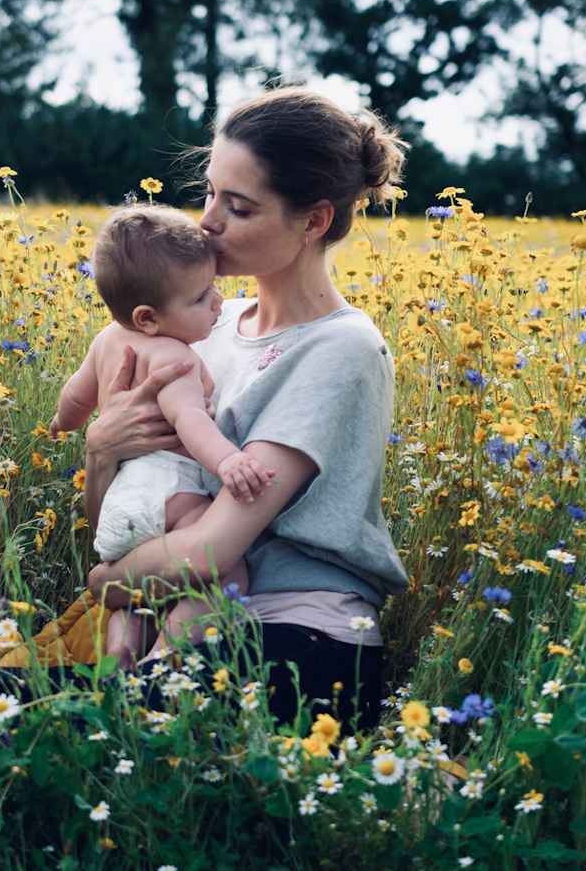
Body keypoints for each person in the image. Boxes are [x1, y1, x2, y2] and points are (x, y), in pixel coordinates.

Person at [83, 85, 410, 730]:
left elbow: (208, 552)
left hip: (298, 646)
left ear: (314, 221)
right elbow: (125, 518)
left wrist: (104, 583)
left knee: (47, 725)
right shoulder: (203, 325)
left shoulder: (339, 348)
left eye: (237, 207)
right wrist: (100, 451)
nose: (207, 222)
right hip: (188, 624)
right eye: (209, 193)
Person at [48, 204, 276, 668]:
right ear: (148, 318)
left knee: (135, 598)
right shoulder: (175, 358)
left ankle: (121, 654)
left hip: (118, 502)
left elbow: (73, 399)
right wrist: (228, 462)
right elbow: (191, 421)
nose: (217, 303)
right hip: (169, 491)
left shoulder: (106, 341)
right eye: (201, 298)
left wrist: (60, 424)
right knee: (226, 571)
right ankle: (164, 658)